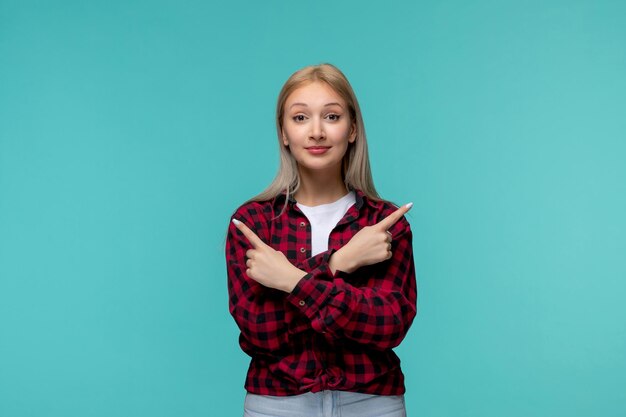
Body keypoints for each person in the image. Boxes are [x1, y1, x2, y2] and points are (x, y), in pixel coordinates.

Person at [225, 63, 417, 417]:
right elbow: (259, 332)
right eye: (300, 118)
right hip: (277, 405)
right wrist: (337, 263)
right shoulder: (252, 223)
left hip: (372, 404)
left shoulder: (383, 224)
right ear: (283, 132)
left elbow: (388, 326)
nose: (316, 132)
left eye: (331, 116)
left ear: (353, 129)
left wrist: (291, 281)